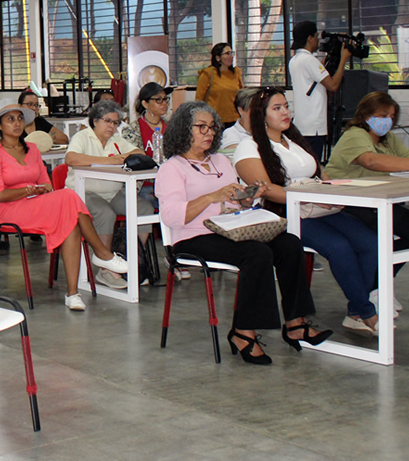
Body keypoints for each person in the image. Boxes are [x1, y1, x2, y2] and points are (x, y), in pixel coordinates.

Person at [157, 100, 331, 365]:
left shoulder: (220, 161)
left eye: (212, 127)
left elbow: (232, 202)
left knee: (289, 243)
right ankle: (243, 331)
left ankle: (296, 323)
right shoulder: (172, 168)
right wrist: (211, 197)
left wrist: (248, 198)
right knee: (256, 253)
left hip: (229, 229)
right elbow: (171, 216)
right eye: (201, 127)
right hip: (191, 237)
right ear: (183, 130)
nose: (209, 133)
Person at [234, 88, 384, 337]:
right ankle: (368, 313)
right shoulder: (248, 147)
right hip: (287, 213)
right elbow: (266, 190)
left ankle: (357, 311)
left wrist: (332, 192)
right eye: (277, 108)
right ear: (261, 115)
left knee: (370, 243)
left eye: (286, 106)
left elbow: (320, 174)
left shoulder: (294, 142)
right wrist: (310, 196)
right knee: (339, 247)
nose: (286, 112)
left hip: (319, 207)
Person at [0, 101, 128, 311]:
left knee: (70, 221)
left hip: (37, 204)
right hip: (11, 210)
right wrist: (29, 191)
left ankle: (73, 294)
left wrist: (41, 190)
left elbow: (47, 182)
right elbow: (0, 194)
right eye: (10, 119)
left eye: (20, 118)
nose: (17, 123)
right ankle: (102, 253)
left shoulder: (31, 148)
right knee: (69, 197)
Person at [63, 99, 153, 288]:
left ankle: (131, 257)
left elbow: (139, 153)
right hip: (82, 192)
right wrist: (109, 161)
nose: (112, 126)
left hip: (112, 192)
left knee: (144, 208)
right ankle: (106, 269)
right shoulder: (82, 137)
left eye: (116, 122)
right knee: (105, 213)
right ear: (95, 121)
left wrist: (126, 157)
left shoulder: (116, 140)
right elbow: (71, 158)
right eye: (107, 121)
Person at [326, 91, 409, 250]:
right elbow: (371, 161)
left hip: (376, 201)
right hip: (348, 202)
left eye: (391, 117)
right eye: (383, 115)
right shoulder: (354, 134)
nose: (388, 121)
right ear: (366, 115)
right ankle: (377, 271)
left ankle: (380, 272)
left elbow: (405, 159)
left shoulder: (389, 138)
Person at [288, 21, 352, 159]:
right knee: (314, 164)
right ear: (310, 38)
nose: (318, 40)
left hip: (302, 124)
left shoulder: (295, 60)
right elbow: (333, 85)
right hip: (314, 127)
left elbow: (318, 73)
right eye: (316, 36)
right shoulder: (309, 61)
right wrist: (343, 60)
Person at [122, 82, 173, 207]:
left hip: (171, 182)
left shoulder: (172, 127)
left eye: (165, 99)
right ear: (145, 104)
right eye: (158, 100)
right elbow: (133, 162)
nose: (164, 104)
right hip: (144, 185)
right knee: (161, 202)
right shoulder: (132, 130)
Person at [196, 43, 244, 127]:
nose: (231, 56)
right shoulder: (208, 73)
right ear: (218, 58)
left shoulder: (236, 72)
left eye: (231, 53)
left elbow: (242, 95)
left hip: (235, 119)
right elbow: (199, 99)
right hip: (214, 121)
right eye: (227, 53)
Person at [218, 88, 259, 154]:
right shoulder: (230, 134)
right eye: (255, 109)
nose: (260, 112)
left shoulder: (268, 129)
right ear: (241, 110)